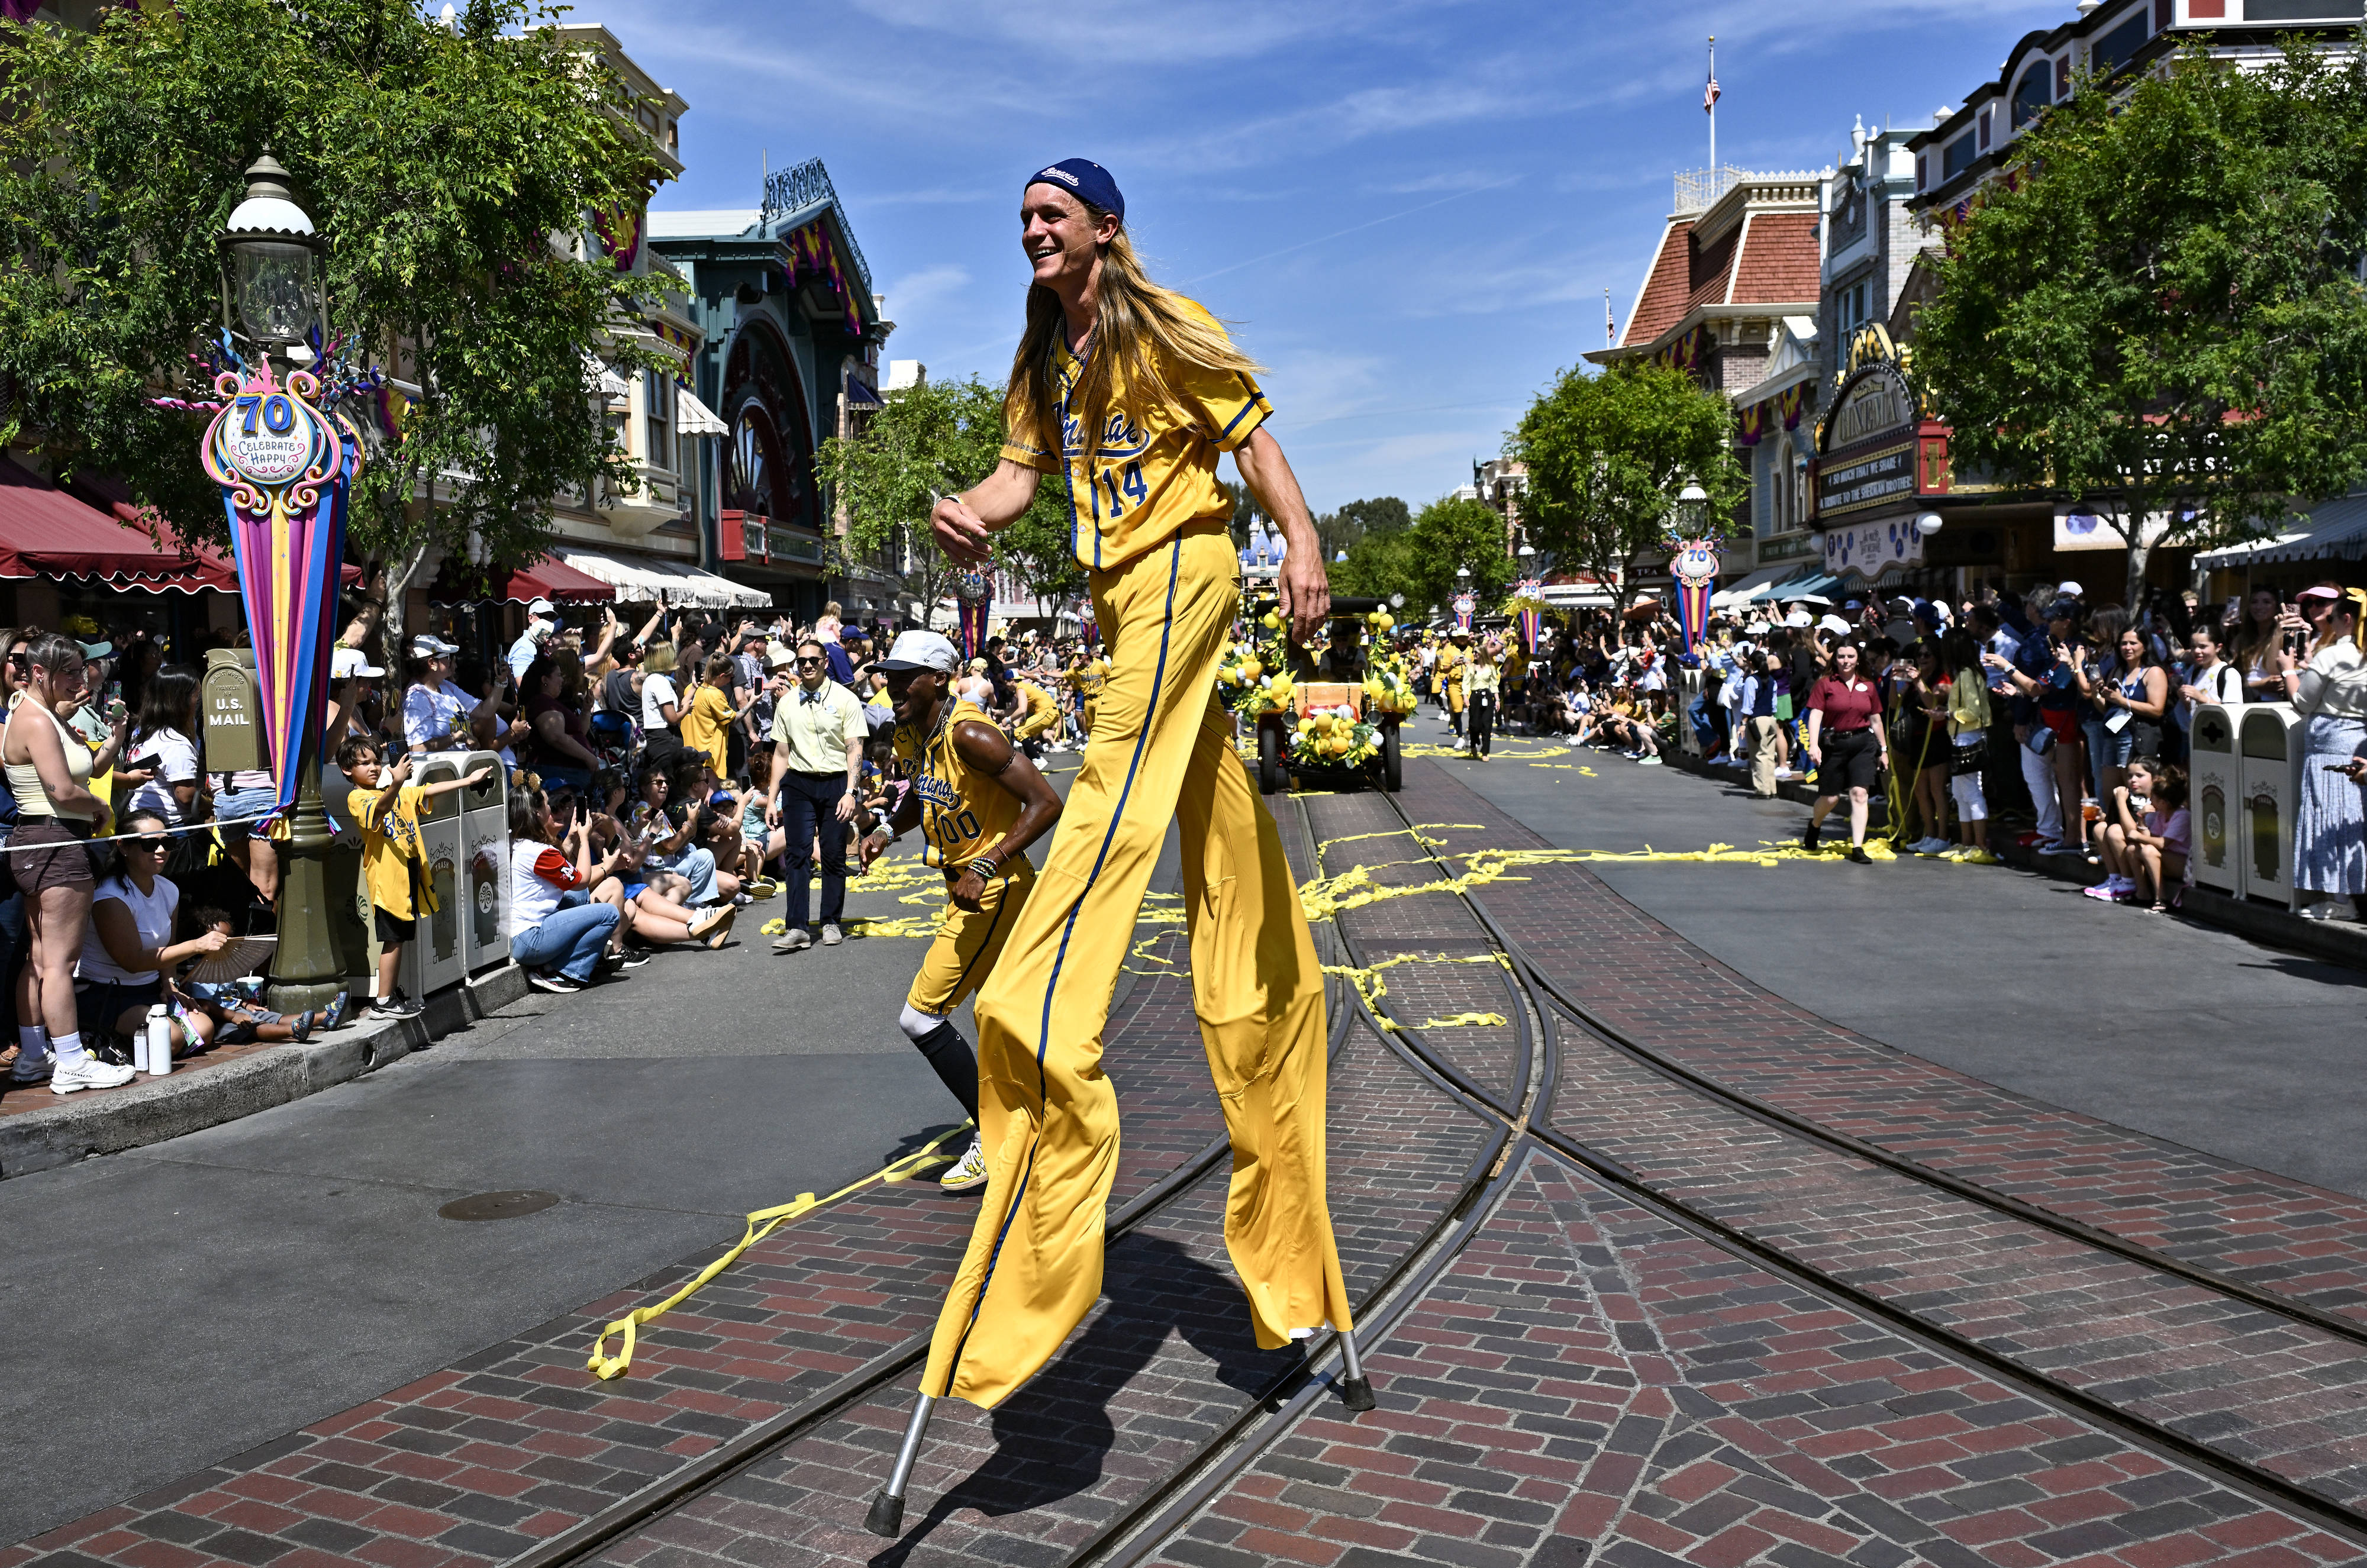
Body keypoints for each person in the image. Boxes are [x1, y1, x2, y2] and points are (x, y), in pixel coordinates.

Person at [908, 157, 1356, 1463]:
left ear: (1106, 227)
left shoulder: (1169, 323)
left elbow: (1254, 439)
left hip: (1186, 571)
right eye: (1023, 220)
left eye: (1053, 215)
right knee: (1222, 858)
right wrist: (962, 512)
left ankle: (1035, 1004)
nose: (1032, 231)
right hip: (1118, 604)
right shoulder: (1042, 352)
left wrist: (1304, 544)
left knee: (1105, 804)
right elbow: (1016, 484)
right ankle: (1291, 1251)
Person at [858, 631, 1064, 1195]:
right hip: (965, 888)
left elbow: (1047, 802)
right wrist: (883, 830)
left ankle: (992, 1133)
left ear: (939, 680)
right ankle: (1033, 1121)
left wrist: (988, 864)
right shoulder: (909, 732)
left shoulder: (970, 733)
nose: (892, 684)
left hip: (994, 889)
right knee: (996, 1017)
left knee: (920, 1016)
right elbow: (920, 799)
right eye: (889, 674)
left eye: (906, 676)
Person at [5, 634, 136, 1090]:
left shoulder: (41, 713)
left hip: (44, 842)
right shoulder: (36, 721)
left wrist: (116, 738)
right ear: (39, 672)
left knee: (41, 958)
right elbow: (63, 791)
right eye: (69, 672)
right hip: (55, 841)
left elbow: (91, 770)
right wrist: (97, 809)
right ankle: (72, 1060)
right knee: (60, 961)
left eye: (81, 670)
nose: (79, 680)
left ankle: (36, 1056)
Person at [340, 735, 489, 1019]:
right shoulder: (357, 797)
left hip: (408, 873)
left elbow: (427, 791)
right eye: (364, 763)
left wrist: (468, 781)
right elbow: (378, 812)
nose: (373, 768)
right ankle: (382, 1001)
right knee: (393, 939)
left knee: (400, 938)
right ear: (348, 770)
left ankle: (391, 994)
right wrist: (396, 782)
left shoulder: (396, 792)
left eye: (376, 762)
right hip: (387, 881)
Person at [77, 811, 241, 1062]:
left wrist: (169, 984)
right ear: (124, 847)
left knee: (204, 1030)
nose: (162, 849)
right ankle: (98, 1039)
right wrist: (196, 946)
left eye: (168, 842)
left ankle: (135, 1045)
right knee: (172, 1039)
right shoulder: (110, 896)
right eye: (150, 843)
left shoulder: (169, 890)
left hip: (151, 989)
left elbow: (168, 946)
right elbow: (132, 961)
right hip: (109, 992)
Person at [764, 638, 866, 953]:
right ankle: (797, 927)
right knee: (798, 854)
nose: (807, 665)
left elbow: (855, 749)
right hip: (799, 784)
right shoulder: (787, 702)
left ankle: (831, 921)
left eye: (813, 660)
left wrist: (851, 791)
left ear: (825, 663)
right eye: (802, 661)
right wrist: (771, 797)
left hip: (836, 783)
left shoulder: (846, 699)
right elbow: (781, 753)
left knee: (834, 854)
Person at [2282, 589, 2367, 920]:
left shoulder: (2333, 655)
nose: (2328, 622)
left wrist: (2289, 670)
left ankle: (2341, 899)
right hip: (2359, 741)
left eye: (2331, 617)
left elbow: (2302, 702)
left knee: (2332, 818)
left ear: (2346, 619)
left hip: (2330, 744)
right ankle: (2345, 896)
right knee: (2350, 819)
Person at [505, 788, 625, 995]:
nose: (550, 807)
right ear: (537, 813)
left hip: (518, 935)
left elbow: (564, 873)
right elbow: (582, 879)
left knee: (578, 897)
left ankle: (574, 957)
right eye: (546, 803)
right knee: (609, 914)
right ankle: (564, 972)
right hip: (530, 940)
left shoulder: (518, 844)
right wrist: (585, 839)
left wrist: (571, 837)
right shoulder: (540, 852)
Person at [182, 905, 333, 1042]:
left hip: (235, 1010)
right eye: (220, 943)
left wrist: (245, 1004)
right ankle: (293, 1030)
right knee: (253, 1027)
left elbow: (229, 995)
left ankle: (322, 1018)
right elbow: (205, 1005)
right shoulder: (201, 974)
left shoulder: (225, 966)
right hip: (218, 1021)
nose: (226, 946)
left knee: (272, 1017)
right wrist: (234, 1016)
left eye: (230, 941)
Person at [1802, 640, 1888, 864]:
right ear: (1835, 659)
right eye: (1841, 657)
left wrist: (1883, 749)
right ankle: (1815, 824)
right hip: (1835, 743)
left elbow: (1876, 719)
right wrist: (1814, 745)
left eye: (1850, 656)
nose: (1846, 661)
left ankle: (1858, 847)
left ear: (1858, 659)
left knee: (1860, 794)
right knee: (1830, 798)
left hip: (1863, 744)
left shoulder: (1868, 686)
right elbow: (1816, 715)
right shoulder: (1825, 684)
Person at [122, 665, 202, 830]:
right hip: (172, 831)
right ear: (181, 701)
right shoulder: (175, 743)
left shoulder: (141, 731)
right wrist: (212, 802)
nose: (200, 701)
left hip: (140, 822)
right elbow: (186, 797)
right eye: (197, 695)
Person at [1463, 637, 1500, 759]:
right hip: (1475, 696)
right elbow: (1466, 683)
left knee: (1487, 725)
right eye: (1473, 652)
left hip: (1487, 696)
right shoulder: (1471, 668)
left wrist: (1497, 699)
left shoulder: (1490, 668)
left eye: (1476, 653)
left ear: (1482, 654)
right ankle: (1473, 744)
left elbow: (1494, 684)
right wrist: (1465, 696)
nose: (1474, 654)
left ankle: (1485, 752)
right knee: (1475, 725)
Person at [507, 597, 558, 682]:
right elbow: (523, 685)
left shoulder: (542, 644)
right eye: (544, 617)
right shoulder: (523, 646)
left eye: (552, 617)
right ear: (531, 618)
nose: (549, 621)